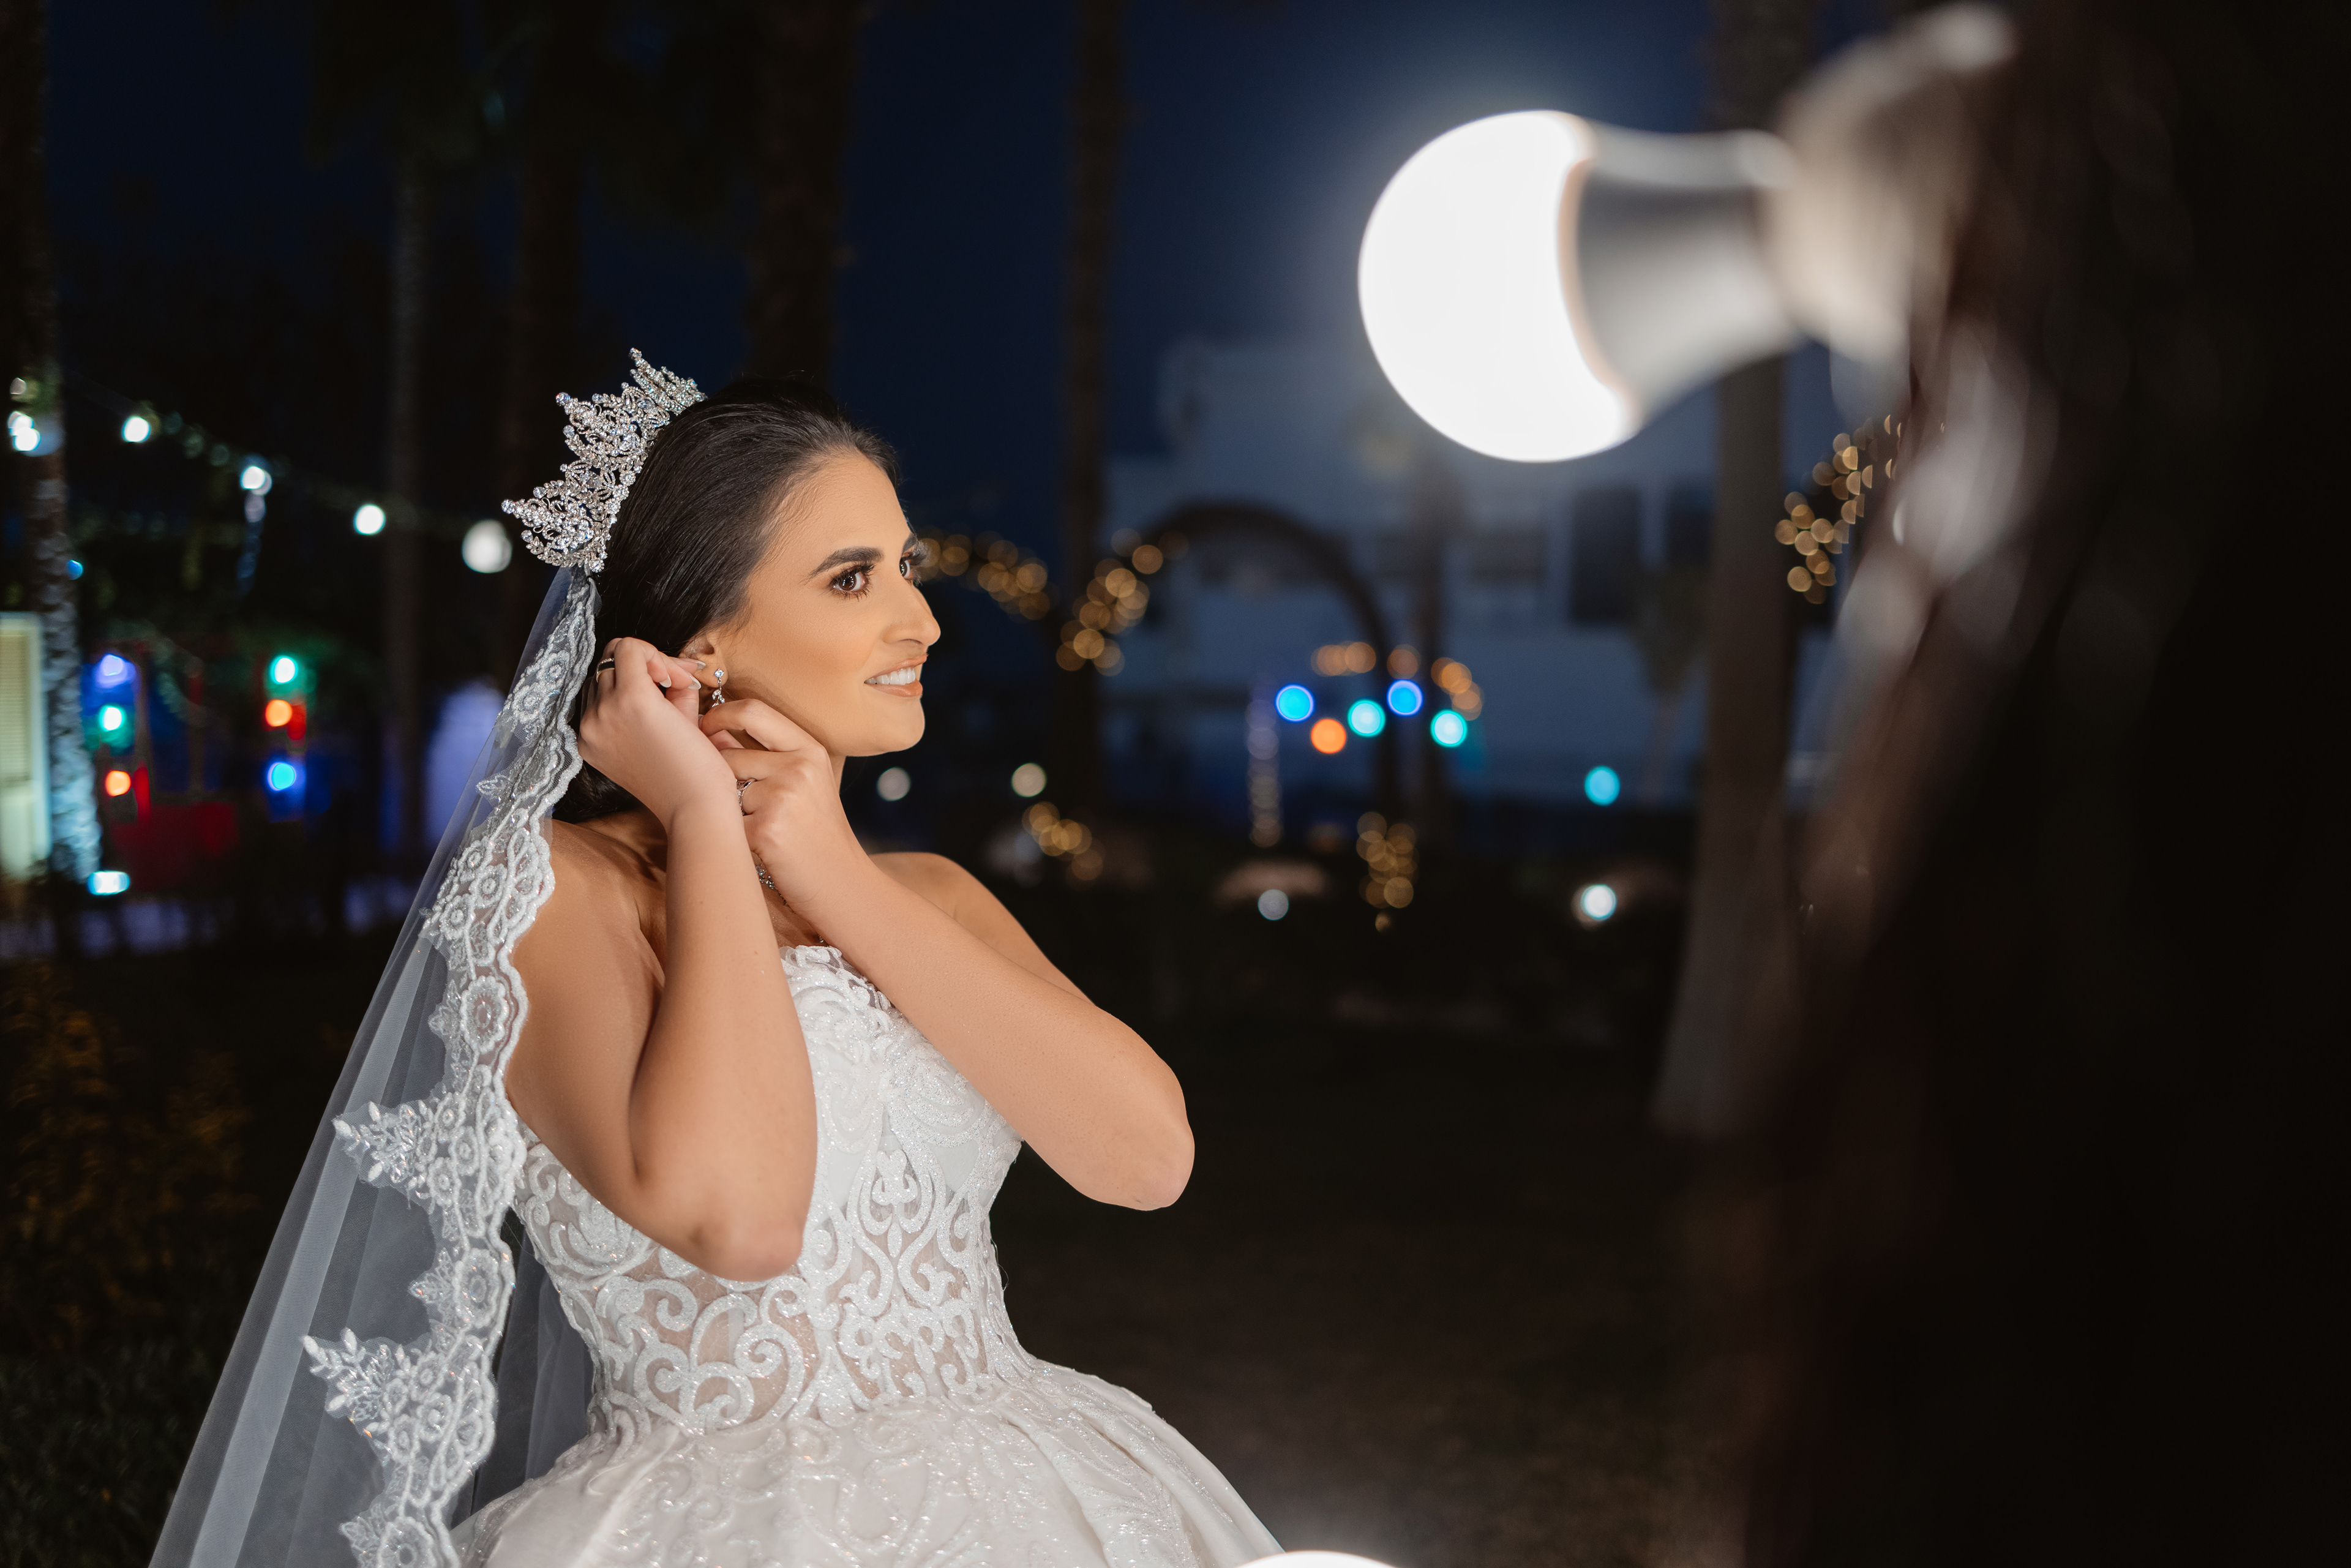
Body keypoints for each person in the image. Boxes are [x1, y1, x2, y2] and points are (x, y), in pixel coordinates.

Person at [151, 358, 1281, 1568]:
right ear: (699, 638)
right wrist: (701, 821)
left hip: (1038, 1488)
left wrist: (826, 863)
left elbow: (1147, 1159)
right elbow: (740, 1223)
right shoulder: (548, 890)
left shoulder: (932, 893)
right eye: (854, 578)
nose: (923, 619)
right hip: (715, 1523)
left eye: (904, 566)